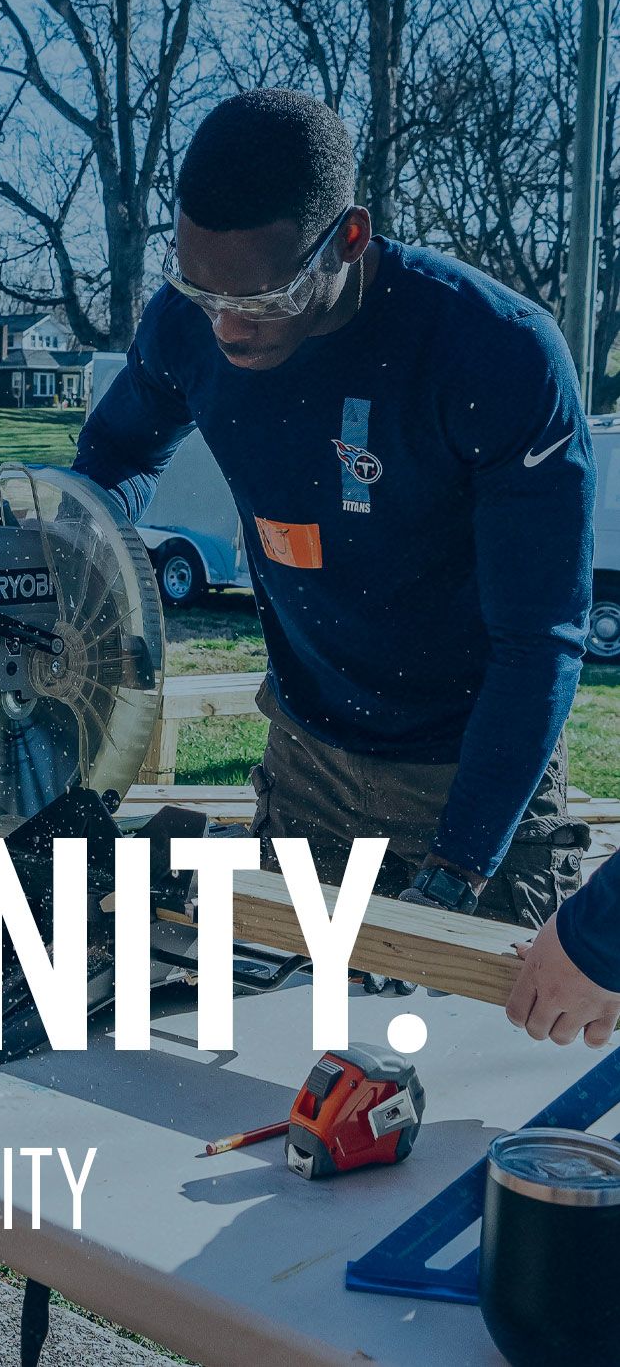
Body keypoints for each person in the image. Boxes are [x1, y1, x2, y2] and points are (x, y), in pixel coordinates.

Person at [74, 89, 594, 939]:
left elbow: (541, 642)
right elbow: (115, 458)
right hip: (307, 753)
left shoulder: (493, 353)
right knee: (283, 1034)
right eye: (204, 293)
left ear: (348, 239)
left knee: (458, 1052)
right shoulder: (188, 323)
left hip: (469, 772)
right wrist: (66, 537)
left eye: (265, 299)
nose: (230, 329)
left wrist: (460, 866)